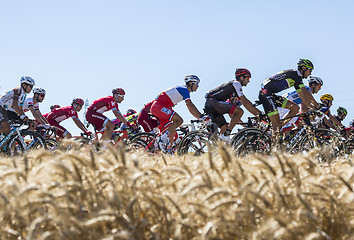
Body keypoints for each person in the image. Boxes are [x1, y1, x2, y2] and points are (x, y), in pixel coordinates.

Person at [258, 59, 320, 143]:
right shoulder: (296, 75)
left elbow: (303, 97)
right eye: (310, 70)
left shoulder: (296, 77)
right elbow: (305, 93)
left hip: (270, 94)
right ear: (304, 68)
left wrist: (312, 107)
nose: (310, 73)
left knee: (295, 108)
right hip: (266, 94)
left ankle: (279, 126)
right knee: (275, 125)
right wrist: (317, 106)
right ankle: (273, 150)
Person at [150, 74, 207, 153]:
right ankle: (162, 140)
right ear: (190, 83)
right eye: (197, 84)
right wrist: (201, 116)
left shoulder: (183, 90)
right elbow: (190, 106)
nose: (198, 86)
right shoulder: (184, 90)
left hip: (158, 107)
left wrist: (200, 117)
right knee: (179, 120)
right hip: (158, 107)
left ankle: (168, 149)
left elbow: (190, 109)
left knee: (172, 130)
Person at [204, 68, 263, 142]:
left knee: (225, 128)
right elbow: (245, 102)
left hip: (212, 106)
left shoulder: (235, 91)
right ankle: (227, 134)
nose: (248, 81)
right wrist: (259, 114)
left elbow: (232, 114)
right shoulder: (236, 84)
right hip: (213, 102)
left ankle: (219, 149)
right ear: (241, 78)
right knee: (240, 111)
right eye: (247, 78)